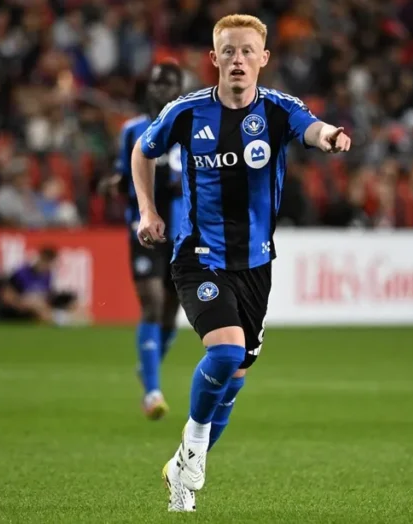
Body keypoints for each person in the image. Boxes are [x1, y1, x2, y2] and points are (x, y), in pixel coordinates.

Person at [130, 14, 351, 512]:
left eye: (248, 51)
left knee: (233, 381)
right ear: (214, 59)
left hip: (255, 264)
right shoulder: (186, 112)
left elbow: (313, 129)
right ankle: (193, 449)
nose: (238, 60)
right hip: (198, 255)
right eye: (228, 51)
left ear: (263, 59)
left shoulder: (279, 109)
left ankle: (181, 472)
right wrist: (148, 210)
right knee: (226, 352)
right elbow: (144, 151)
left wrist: (330, 136)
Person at [112, 62, 185, 420]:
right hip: (143, 229)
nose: (160, 89)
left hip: (183, 232)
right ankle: (152, 393)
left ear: (179, 89)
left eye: (168, 84)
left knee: (171, 311)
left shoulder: (192, 127)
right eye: (156, 83)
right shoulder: (132, 131)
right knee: (152, 302)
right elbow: (122, 174)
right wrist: (115, 183)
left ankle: (149, 363)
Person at [0, 247, 83, 326]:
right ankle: (63, 321)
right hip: (22, 307)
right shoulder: (21, 273)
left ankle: (66, 320)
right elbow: (6, 295)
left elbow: (47, 296)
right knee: (36, 304)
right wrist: (19, 304)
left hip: (42, 306)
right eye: (46, 262)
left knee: (74, 304)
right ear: (40, 259)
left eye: (50, 263)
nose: (48, 266)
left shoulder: (47, 276)